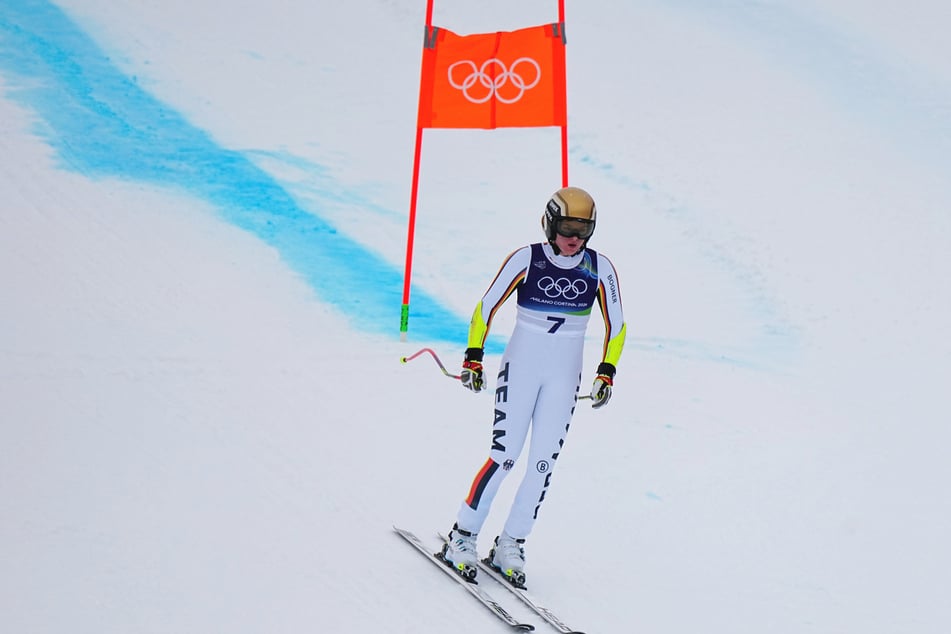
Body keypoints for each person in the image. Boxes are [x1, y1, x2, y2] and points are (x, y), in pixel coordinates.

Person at [439, 186, 627, 587]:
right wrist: (474, 355)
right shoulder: (528, 259)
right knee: (504, 457)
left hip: (563, 377)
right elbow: (485, 307)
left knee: (542, 465)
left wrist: (606, 370)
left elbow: (618, 325)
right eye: (565, 227)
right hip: (522, 370)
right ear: (548, 224)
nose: (573, 238)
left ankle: (511, 542)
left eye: (582, 229)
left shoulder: (599, 268)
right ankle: (463, 535)